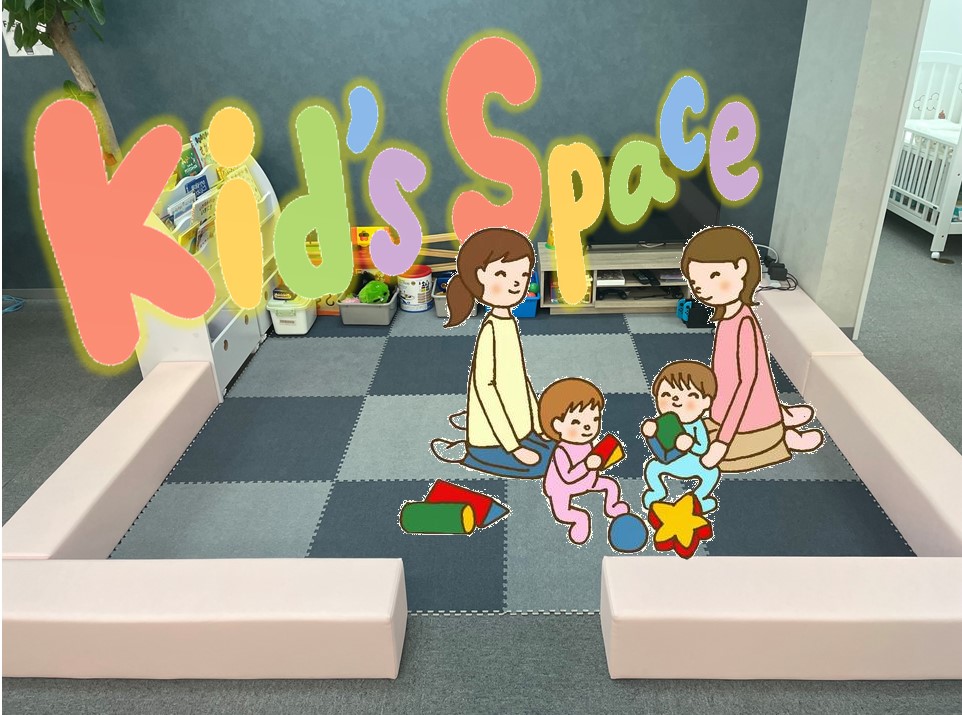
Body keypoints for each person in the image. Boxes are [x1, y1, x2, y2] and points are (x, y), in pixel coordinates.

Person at [680, 226, 823, 473]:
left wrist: (722, 443)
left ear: (741, 268)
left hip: (748, 419)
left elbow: (746, 383)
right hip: (726, 409)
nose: (701, 288)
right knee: (695, 437)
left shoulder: (743, 323)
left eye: (713, 275)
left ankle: (782, 436)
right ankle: (781, 416)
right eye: (695, 282)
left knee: (718, 460)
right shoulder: (727, 317)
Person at [430, 227, 554, 478]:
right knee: (540, 467)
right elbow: (485, 388)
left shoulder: (508, 322)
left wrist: (538, 426)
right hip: (492, 440)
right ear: (480, 276)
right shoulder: (491, 330)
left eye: (522, 274)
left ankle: (516, 436)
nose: (516, 282)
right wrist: (514, 447)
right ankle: (467, 452)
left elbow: (520, 378)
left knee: (556, 455)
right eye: (502, 273)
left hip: (519, 426)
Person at [539, 377, 629, 545]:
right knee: (566, 513)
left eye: (594, 420)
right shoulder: (561, 451)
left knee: (610, 485)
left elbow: (593, 462)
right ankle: (579, 521)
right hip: (561, 488)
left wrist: (605, 458)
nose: (588, 427)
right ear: (557, 425)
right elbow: (568, 477)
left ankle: (612, 507)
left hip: (587, 481)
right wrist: (587, 465)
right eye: (576, 422)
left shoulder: (586, 443)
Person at [640, 361, 720, 512]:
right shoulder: (665, 421)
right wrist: (651, 434)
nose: (675, 400)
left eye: (690, 395)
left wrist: (690, 443)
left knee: (712, 472)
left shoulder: (696, 425)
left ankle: (699, 498)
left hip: (695, 464)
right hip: (670, 461)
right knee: (652, 467)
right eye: (667, 395)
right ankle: (657, 491)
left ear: (706, 402)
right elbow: (659, 449)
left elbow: (702, 448)